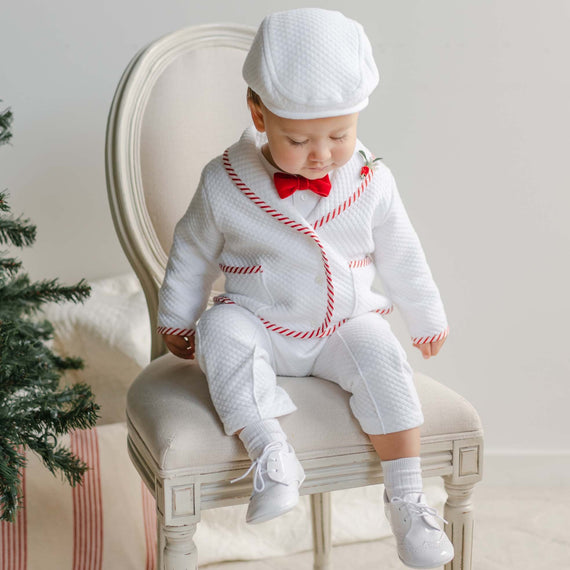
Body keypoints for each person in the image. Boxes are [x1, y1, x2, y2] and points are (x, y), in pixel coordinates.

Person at [157, 8, 453, 568]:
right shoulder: (224, 181)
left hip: (343, 322)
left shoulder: (371, 180)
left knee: (384, 359)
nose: (321, 155)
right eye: (300, 140)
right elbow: (191, 248)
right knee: (219, 330)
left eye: (339, 135)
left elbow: (402, 252)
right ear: (258, 114)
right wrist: (176, 315)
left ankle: (408, 500)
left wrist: (426, 316)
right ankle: (271, 454)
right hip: (260, 321)